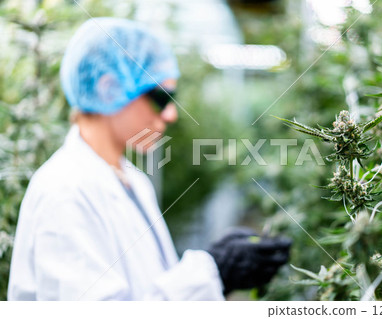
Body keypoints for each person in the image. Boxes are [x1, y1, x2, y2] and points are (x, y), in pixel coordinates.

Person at [7, 17, 291, 301]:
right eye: (161, 97)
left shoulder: (131, 179)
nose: (171, 114)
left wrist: (216, 267)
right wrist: (213, 271)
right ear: (109, 89)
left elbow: (148, 287)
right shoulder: (65, 191)